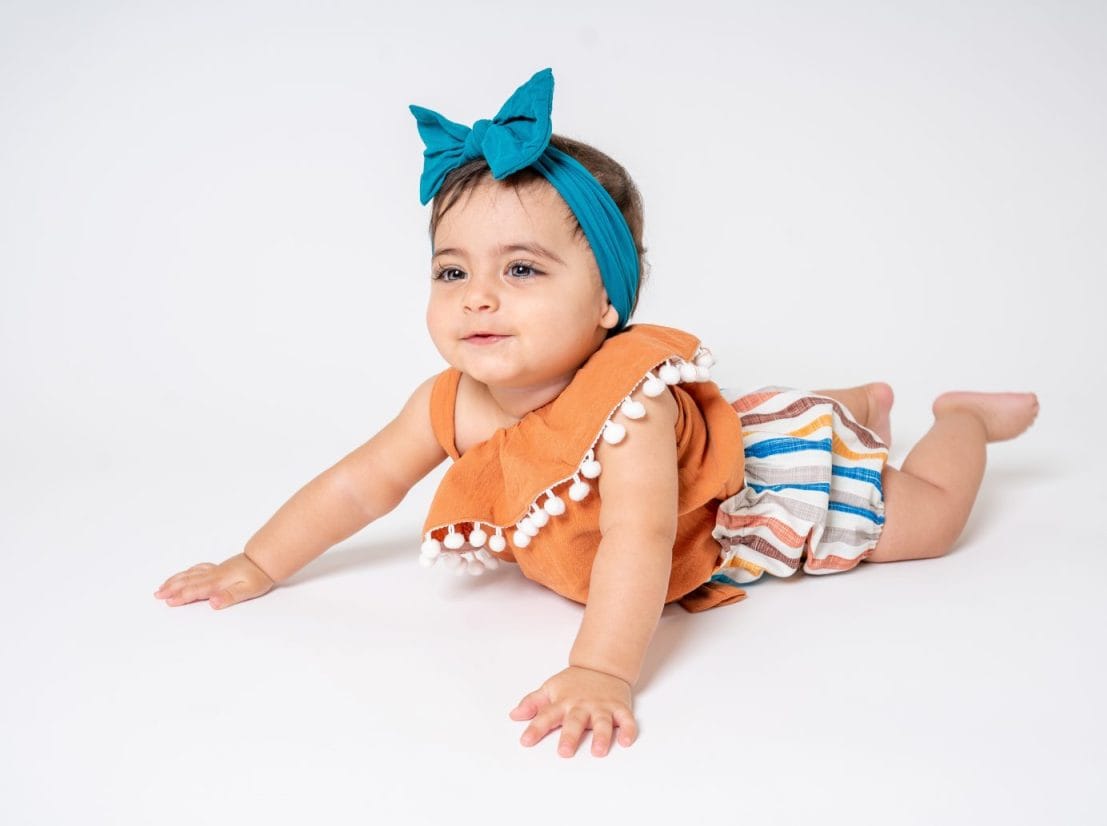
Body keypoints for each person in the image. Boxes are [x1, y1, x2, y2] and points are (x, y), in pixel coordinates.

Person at [153, 68, 1039, 759]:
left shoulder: (632, 413)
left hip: (750, 491)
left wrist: (600, 669)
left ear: (606, 304)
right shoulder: (447, 403)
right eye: (452, 271)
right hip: (725, 435)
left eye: (523, 270)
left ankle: (958, 420)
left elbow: (639, 542)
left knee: (929, 521)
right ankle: (852, 403)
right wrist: (256, 562)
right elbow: (356, 487)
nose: (479, 299)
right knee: (775, 414)